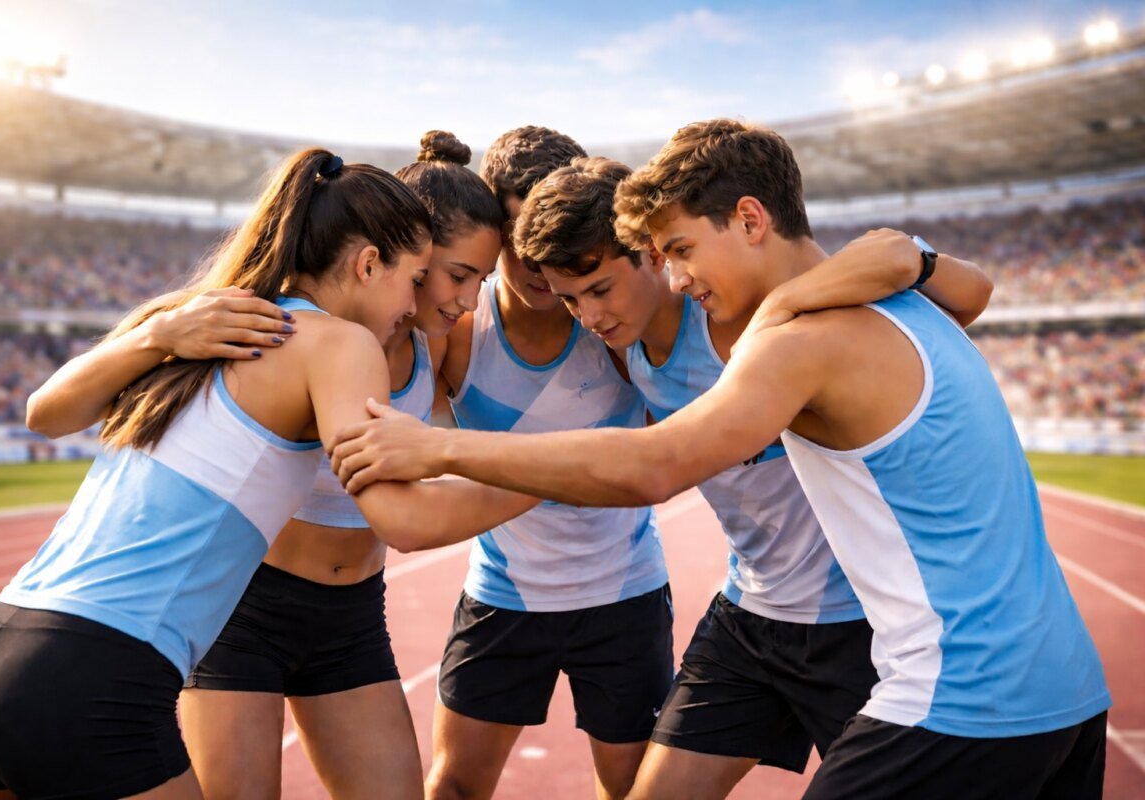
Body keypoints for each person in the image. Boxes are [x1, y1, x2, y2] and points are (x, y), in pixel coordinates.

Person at [332, 120, 1112, 800]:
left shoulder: (776, 331)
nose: (675, 275)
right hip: (756, 614)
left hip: (910, 653)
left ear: (744, 220)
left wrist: (438, 448)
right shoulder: (640, 342)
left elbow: (654, 465)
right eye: (571, 300)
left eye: (676, 250)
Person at [0, 149, 536, 800]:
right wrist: (559, 474)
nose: (420, 298)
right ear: (369, 263)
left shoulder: (207, 314)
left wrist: (155, 334)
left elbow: (44, 412)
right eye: (418, 275)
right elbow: (406, 519)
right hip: (92, 678)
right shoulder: (339, 344)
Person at [508, 154, 993, 799]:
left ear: (654, 256)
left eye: (600, 290)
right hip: (751, 614)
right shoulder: (623, 352)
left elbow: (967, 298)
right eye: (571, 301)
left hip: (859, 625)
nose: (590, 317)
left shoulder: (747, 320)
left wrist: (912, 255)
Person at [423, 125, 671, 800]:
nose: (536, 258)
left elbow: (664, 453)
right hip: (503, 595)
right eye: (514, 228)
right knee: (451, 787)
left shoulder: (616, 325)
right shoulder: (461, 333)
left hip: (623, 595)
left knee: (631, 791)